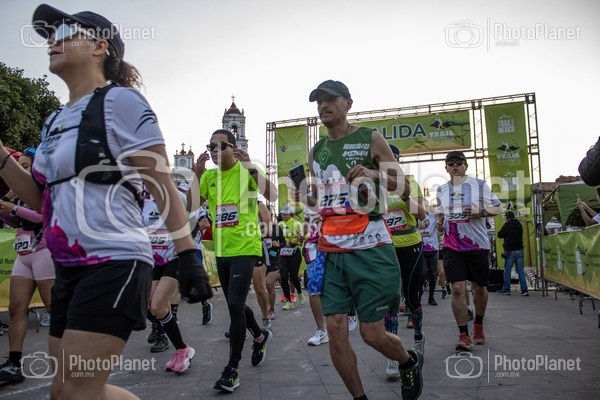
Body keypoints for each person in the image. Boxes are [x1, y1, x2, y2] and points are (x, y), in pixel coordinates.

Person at [0, 5, 211, 399]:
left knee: (77, 391)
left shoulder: (122, 102)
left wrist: (187, 256)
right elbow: (43, 198)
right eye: (49, 34)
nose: (52, 40)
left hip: (115, 260)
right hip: (67, 268)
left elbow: (160, 181)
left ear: (99, 46)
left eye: (65, 31)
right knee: (64, 392)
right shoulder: (53, 121)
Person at [297, 80, 423, 400]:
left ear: (348, 103)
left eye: (330, 99)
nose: (323, 106)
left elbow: (403, 186)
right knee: (335, 330)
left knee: (371, 334)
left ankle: (407, 361)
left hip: (371, 248)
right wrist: (305, 195)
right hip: (331, 250)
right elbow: (318, 200)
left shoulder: (370, 138)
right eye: (319, 101)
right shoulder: (316, 151)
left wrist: (374, 174)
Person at [198, 129, 276, 393]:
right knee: (237, 304)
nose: (214, 151)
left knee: (234, 304)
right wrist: (197, 173)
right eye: (211, 146)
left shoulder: (246, 171)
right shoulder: (209, 177)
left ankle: (231, 370)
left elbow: (272, 195)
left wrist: (251, 166)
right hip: (222, 251)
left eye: (220, 146)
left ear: (233, 148)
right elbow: (191, 204)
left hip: (246, 246)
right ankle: (260, 336)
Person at [435, 150, 503, 352]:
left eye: (459, 162)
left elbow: (498, 208)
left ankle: (478, 324)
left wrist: (481, 212)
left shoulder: (479, 185)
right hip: (452, 246)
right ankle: (463, 335)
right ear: (446, 168)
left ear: (466, 166)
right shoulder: (441, 190)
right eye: (451, 163)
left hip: (477, 245)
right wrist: (440, 223)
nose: (455, 166)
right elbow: (440, 214)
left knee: (479, 288)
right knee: (457, 289)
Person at [0, 148, 54, 383]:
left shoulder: (46, 190)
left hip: (45, 252)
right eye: (18, 165)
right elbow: (17, 222)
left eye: (24, 166)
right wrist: (4, 210)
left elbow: (44, 216)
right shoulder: (19, 195)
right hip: (23, 255)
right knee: (15, 309)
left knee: (54, 309)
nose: (18, 170)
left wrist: (13, 207)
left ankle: (72, 359)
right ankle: (14, 363)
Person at [382, 145, 427, 380]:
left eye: (393, 159)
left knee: (411, 298)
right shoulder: (373, 183)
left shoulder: (409, 182)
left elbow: (422, 214)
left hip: (410, 243)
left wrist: (404, 194)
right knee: (390, 300)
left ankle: (418, 338)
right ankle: (393, 354)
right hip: (384, 246)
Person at [278, 204, 306, 310]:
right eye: (282, 214)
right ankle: (288, 301)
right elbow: (276, 238)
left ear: (291, 214)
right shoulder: (279, 224)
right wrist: (282, 244)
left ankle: (299, 293)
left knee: (293, 276)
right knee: (283, 276)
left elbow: (303, 236)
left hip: (294, 252)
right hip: (283, 253)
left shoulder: (297, 224)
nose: (283, 215)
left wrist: (293, 241)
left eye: (285, 214)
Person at [497, 211, 528, 296]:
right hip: (519, 250)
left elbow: (499, 235)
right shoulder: (519, 224)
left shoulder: (507, 225)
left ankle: (506, 289)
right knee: (521, 271)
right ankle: (524, 290)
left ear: (507, 217)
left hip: (510, 251)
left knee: (507, 271)